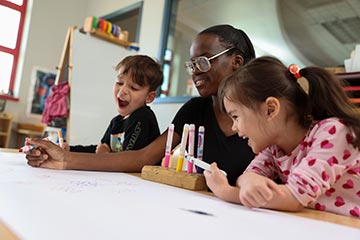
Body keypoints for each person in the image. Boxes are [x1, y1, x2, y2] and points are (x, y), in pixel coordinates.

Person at [25, 24, 255, 186]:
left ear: (236, 62)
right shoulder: (196, 110)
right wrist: (65, 158)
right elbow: (143, 157)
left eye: (203, 62)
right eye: (192, 64)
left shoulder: (263, 113)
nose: (195, 71)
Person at [204, 56, 360, 217]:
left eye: (235, 117)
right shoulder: (274, 148)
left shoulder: (334, 132)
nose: (234, 127)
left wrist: (225, 191)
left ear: (270, 109)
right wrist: (248, 180)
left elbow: (294, 197)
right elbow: (249, 181)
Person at [64, 55, 163, 154]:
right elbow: (99, 149)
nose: (123, 91)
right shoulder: (116, 122)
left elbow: (129, 159)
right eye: (119, 83)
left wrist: (106, 154)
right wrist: (69, 150)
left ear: (149, 97)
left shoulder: (142, 117)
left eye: (134, 87)